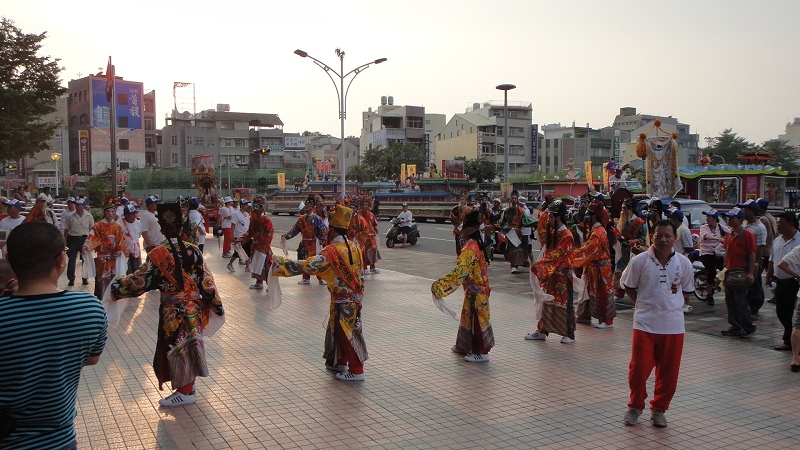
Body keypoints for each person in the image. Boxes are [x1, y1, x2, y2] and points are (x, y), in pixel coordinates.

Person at [0, 222, 107, 448]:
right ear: (61, 260)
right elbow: (92, 358)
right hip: (60, 440)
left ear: (8, 259)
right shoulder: (89, 308)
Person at [108, 201, 225, 407]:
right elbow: (207, 283)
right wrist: (216, 305)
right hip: (194, 308)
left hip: (173, 311)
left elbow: (140, 282)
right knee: (191, 343)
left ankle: (185, 392)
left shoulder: (158, 254)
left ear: (161, 227)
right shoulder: (194, 251)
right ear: (181, 226)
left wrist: (117, 286)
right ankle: (189, 386)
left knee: (177, 346)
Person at [272, 204, 367, 381]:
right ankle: (339, 361)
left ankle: (356, 369)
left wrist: (279, 263)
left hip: (342, 299)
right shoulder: (354, 247)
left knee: (346, 333)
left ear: (331, 230)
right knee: (341, 330)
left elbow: (309, 265)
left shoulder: (332, 251)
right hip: (354, 296)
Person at [620, 219, 693, 428]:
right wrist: (644, 305)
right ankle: (635, 406)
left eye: (667, 236)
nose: (663, 239)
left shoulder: (684, 263)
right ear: (651, 237)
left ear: (675, 239)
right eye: (658, 235)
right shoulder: (640, 261)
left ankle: (659, 409)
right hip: (644, 324)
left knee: (669, 372)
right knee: (639, 369)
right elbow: (629, 287)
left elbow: (686, 293)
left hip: (673, 326)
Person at [432, 211, 494, 362]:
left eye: (462, 227)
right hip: (475, 290)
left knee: (477, 321)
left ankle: (482, 352)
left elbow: (460, 272)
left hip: (477, 291)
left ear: (469, 230)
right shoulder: (476, 244)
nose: (460, 231)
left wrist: (440, 286)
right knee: (468, 318)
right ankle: (464, 345)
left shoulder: (470, 249)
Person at [525, 200, 576, 344]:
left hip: (563, 277)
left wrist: (540, 265)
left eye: (551, 217)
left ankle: (569, 334)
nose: (549, 219)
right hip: (553, 274)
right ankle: (542, 330)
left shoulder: (566, 235)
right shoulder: (554, 232)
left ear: (558, 217)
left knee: (564, 304)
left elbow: (558, 254)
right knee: (547, 301)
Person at [573, 202, 616, 329]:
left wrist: (571, 255)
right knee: (586, 290)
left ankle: (607, 320)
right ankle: (584, 315)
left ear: (593, 217)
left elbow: (589, 249)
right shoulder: (596, 230)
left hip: (600, 268)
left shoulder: (598, 232)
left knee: (603, 293)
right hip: (593, 267)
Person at [720, 207, 757, 337]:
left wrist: (751, 272)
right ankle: (735, 326)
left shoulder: (747, 235)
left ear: (740, 220)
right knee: (730, 300)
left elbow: (752, 254)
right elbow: (726, 252)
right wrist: (724, 269)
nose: (729, 220)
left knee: (741, 301)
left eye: (732, 218)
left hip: (741, 271)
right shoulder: (729, 234)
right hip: (730, 271)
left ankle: (748, 326)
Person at [84, 197, 126, 299]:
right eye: (108, 211)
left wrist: (120, 250)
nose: (110, 213)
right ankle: (101, 299)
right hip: (102, 258)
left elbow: (122, 241)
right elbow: (92, 237)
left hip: (114, 258)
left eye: (112, 211)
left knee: (114, 279)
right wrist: (86, 246)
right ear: (104, 212)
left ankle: (113, 298)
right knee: (101, 279)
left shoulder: (118, 226)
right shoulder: (98, 226)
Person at [769, 212, 800, 352]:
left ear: (791, 224)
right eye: (777, 223)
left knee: (797, 314)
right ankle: (790, 338)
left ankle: (791, 340)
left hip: (796, 282)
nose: (778, 226)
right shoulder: (777, 240)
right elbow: (772, 259)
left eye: (781, 223)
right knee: (782, 312)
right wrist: (769, 274)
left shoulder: (799, 240)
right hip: (780, 282)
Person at [283, 195, 328, 284]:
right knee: (304, 261)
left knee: (316, 261)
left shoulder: (317, 218)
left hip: (314, 243)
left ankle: (320, 278)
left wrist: (322, 240)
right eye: (306, 206)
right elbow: (294, 229)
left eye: (309, 206)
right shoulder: (301, 219)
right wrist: (286, 236)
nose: (307, 208)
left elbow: (323, 230)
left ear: (312, 207)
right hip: (304, 243)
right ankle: (306, 278)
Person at [613, 198, 647, 302]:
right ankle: (619, 293)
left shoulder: (639, 223)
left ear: (630, 209)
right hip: (623, 251)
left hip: (634, 251)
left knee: (635, 273)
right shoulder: (621, 221)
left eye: (625, 208)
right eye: (622, 208)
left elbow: (644, 238)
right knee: (619, 271)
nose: (622, 211)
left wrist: (633, 242)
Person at [738, 200, 767, 320]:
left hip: (753, 260)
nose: (744, 211)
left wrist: (755, 263)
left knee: (755, 285)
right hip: (743, 259)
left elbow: (760, 248)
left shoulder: (759, 227)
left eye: (746, 209)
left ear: (753, 211)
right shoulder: (745, 224)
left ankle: (754, 308)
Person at [240, 197, 274, 290]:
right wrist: (242, 238)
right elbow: (250, 232)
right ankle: (259, 283)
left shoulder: (266, 219)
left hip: (264, 247)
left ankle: (270, 284)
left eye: (257, 206)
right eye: (254, 206)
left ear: (262, 207)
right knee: (257, 265)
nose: (255, 208)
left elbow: (270, 233)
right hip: (255, 245)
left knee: (266, 265)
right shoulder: (253, 218)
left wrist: (263, 245)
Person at [698, 210, 729, 305]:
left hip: (718, 253)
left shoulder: (721, 227)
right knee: (711, 272)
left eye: (709, 217)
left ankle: (727, 293)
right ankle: (709, 295)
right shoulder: (704, 227)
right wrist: (718, 239)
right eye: (706, 217)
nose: (707, 219)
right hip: (706, 253)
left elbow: (731, 232)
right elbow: (706, 236)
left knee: (726, 270)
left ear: (715, 218)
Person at [63, 198, 94, 287]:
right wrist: (65, 241)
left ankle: (85, 278)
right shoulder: (70, 216)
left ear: (83, 207)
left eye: (79, 205)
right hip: (73, 239)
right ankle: (71, 279)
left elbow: (92, 230)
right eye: (76, 205)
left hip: (84, 239)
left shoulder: (89, 216)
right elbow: (66, 229)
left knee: (85, 260)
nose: (76, 207)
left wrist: (91, 242)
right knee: (72, 260)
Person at [499, 191, 528, 274]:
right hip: (510, 232)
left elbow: (526, 221)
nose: (514, 200)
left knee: (517, 250)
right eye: (512, 198)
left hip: (518, 232)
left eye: (515, 198)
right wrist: (507, 228)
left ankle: (516, 266)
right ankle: (513, 265)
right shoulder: (506, 211)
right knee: (509, 249)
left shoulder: (521, 211)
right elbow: (501, 222)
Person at [227, 199, 251, 272]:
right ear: (241, 205)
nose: (246, 206)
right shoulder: (236, 214)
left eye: (247, 204)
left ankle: (247, 267)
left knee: (248, 251)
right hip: (239, 235)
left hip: (247, 235)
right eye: (245, 205)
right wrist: (232, 236)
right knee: (237, 252)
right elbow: (232, 225)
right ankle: (230, 264)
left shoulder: (247, 214)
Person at [119, 205, 142, 274]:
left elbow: (139, 235)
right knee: (127, 270)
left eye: (134, 214)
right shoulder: (119, 223)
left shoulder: (138, 223)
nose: (133, 216)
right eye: (131, 214)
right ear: (126, 215)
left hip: (135, 251)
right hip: (124, 252)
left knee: (137, 270)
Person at [359, 198, 380, 274]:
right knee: (364, 252)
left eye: (366, 205)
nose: (364, 206)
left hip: (371, 235)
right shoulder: (359, 215)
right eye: (363, 205)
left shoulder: (371, 214)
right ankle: (364, 268)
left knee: (373, 250)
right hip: (363, 236)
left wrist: (374, 229)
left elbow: (374, 223)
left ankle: (372, 267)